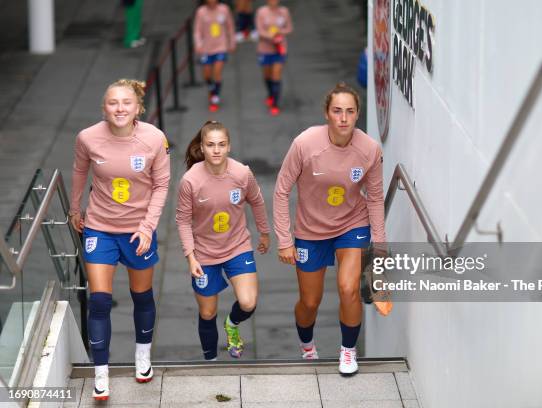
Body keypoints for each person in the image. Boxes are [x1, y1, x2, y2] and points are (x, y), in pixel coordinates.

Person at [273, 83, 386, 376]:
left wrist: (381, 244)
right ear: (327, 114)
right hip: (310, 231)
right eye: (337, 111)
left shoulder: (369, 149)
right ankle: (307, 345)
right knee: (310, 302)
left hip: (352, 224)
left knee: (349, 288)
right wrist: (285, 240)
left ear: (358, 114)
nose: (344, 118)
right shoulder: (305, 144)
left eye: (350, 111)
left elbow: (374, 197)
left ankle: (347, 352)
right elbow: (281, 190)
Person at [69, 79, 171, 400]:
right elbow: (79, 172)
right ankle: (101, 372)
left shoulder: (154, 138)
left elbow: (162, 185)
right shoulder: (87, 137)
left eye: (126, 102)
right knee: (99, 300)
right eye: (113, 103)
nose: (120, 108)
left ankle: (143, 355)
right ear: (104, 108)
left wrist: (147, 226)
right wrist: (74, 207)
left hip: (139, 230)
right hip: (100, 228)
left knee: (141, 295)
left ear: (138, 108)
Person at [176, 121, 270, 361]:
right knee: (207, 312)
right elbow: (183, 221)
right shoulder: (190, 181)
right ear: (202, 148)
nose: (216, 150)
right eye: (210, 145)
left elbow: (257, 201)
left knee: (248, 302)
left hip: (237, 247)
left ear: (229, 147)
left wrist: (264, 232)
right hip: (205, 254)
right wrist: (191, 257)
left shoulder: (241, 173)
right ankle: (211, 360)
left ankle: (232, 324)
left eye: (221, 145)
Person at [193, 0, 236, 112]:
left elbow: (230, 27)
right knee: (207, 74)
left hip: (221, 46)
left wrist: (232, 42)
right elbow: (197, 31)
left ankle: (214, 97)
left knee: (217, 71)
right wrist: (198, 44)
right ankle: (212, 90)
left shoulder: (224, 9)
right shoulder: (201, 11)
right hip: (207, 48)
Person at [255, 0, 293, 116]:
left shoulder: (284, 12)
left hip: (279, 49)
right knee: (267, 75)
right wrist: (271, 36)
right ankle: (271, 94)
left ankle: (275, 104)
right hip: (265, 49)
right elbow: (260, 30)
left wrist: (279, 32)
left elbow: (289, 28)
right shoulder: (261, 12)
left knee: (276, 74)